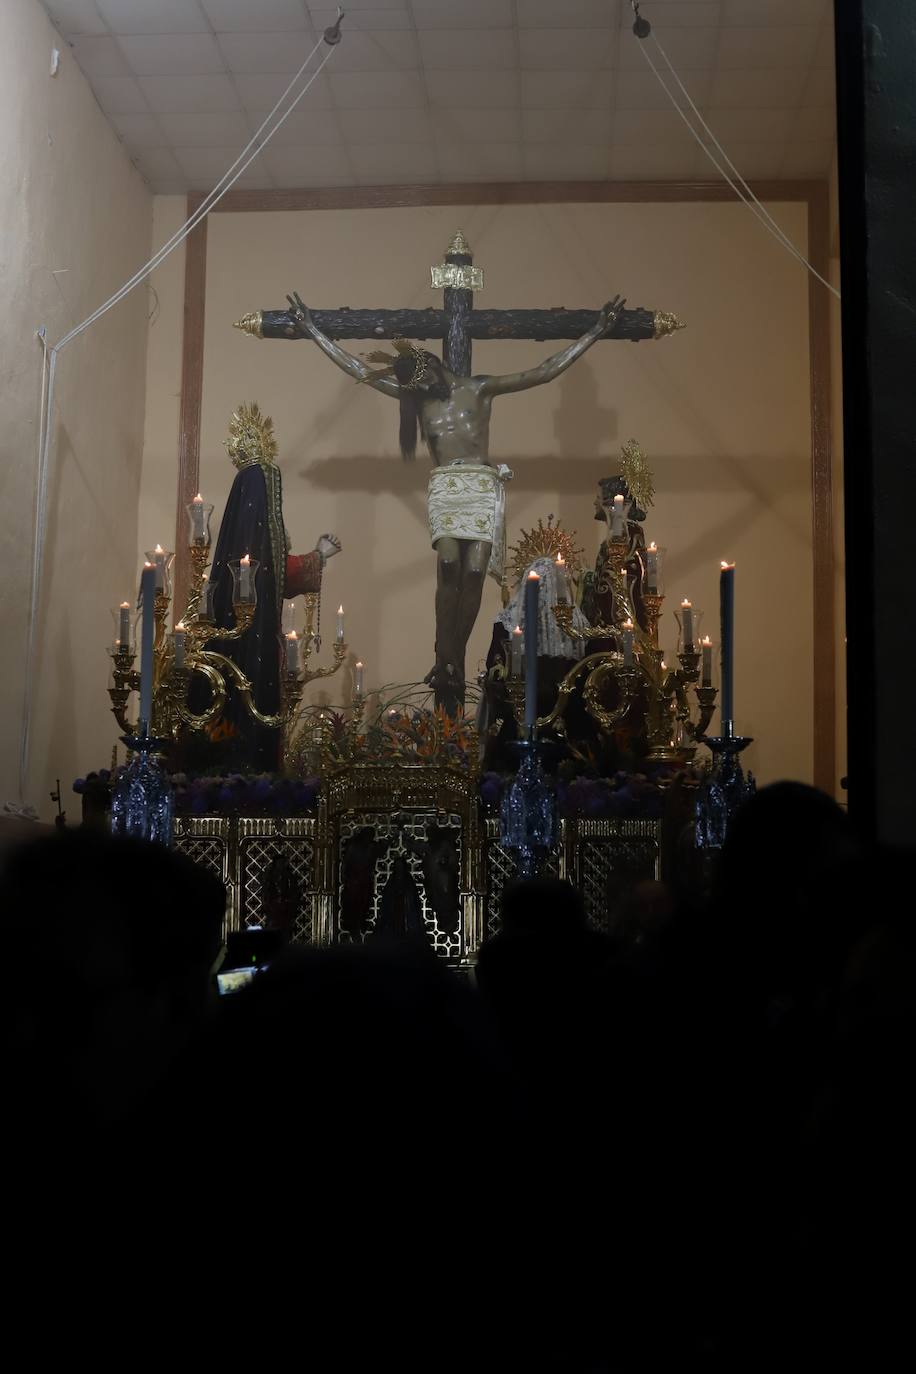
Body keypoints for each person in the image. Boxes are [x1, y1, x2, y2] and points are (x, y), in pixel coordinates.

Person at [286, 290, 625, 713]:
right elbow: (358, 369)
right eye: (413, 387)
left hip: (481, 486)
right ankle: (441, 654)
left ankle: (453, 659)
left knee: (475, 570)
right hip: (447, 487)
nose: (421, 389)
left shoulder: (479, 390)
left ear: (433, 363)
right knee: (448, 565)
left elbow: (543, 371)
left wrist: (594, 331)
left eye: (422, 379)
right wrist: (314, 330)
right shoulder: (419, 399)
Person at [196, 402, 341, 770]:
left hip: (258, 635)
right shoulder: (251, 545)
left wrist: (314, 559)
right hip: (251, 639)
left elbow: (271, 576)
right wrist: (317, 558)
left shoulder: (250, 540)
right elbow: (268, 574)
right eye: (271, 492)